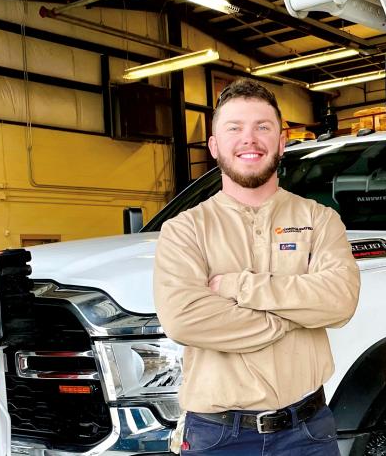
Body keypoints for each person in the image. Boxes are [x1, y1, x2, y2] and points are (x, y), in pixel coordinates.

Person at [153, 78, 360, 455]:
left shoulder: (320, 220)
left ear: (281, 142)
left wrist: (239, 287)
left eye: (263, 127)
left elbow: (340, 300)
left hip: (308, 431)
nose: (250, 139)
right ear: (215, 147)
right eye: (235, 128)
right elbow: (183, 319)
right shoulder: (184, 230)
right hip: (219, 437)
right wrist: (295, 316)